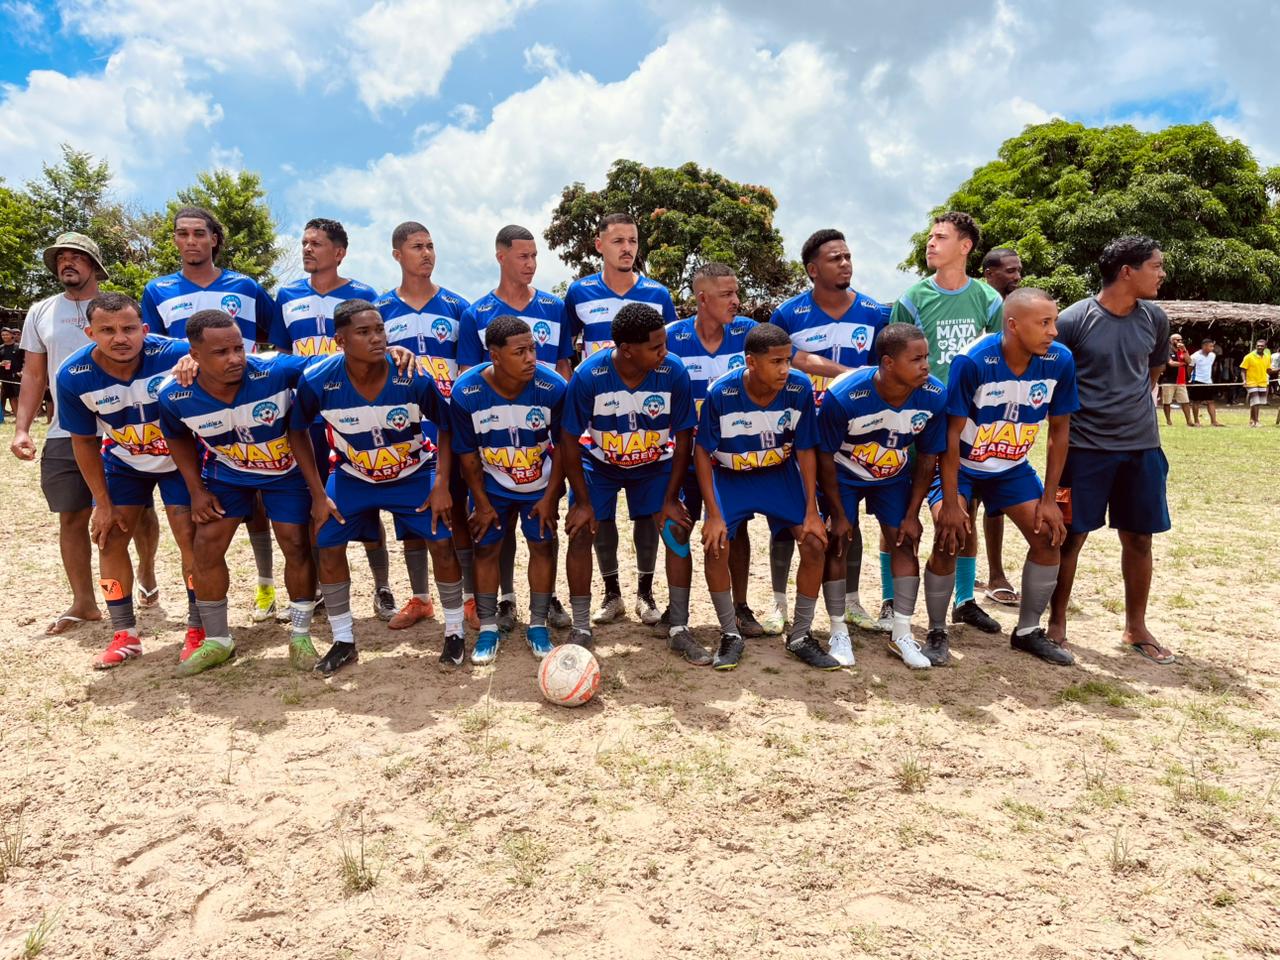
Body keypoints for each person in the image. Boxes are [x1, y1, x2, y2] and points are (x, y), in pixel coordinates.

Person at [289, 299, 465, 676]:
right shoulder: (318, 380)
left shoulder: (411, 376)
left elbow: (447, 424)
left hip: (413, 473)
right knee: (326, 542)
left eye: (380, 330)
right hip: (353, 477)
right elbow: (297, 431)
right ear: (340, 340)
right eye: (364, 332)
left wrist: (441, 483)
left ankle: (454, 632)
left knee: (441, 540)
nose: (376, 338)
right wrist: (318, 494)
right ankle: (343, 641)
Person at [11, 234, 160, 635]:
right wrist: (22, 428)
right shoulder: (41, 311)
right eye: (60, 258)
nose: (67, 263)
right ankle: (84, 601)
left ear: (94, 264)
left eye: (76, 257)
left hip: (124, 426)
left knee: (136, 514)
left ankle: (146, 569)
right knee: (72, 515)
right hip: (66, 430)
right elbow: (34, 374)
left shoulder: (117, 307)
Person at [159, 309, 320, 675]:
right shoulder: (173, 394)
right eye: (221, 352)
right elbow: (176, 437)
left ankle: (300, 636)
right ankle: (218, 640)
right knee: (206, 545)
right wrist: (196, 490)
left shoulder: (274, 371)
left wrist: (392, 354)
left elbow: (331, 365)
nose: (234, 358)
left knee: (295, 542)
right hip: (227, 474)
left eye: (238, 348)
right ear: (194, 356)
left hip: (284, 472)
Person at [925, 287, 1078, 667]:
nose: (1053, 331)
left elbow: (1060, 431)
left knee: (1048, 537)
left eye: (1054, 322)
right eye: (1044, 323)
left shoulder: (1060, 360)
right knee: (949, 537)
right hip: (962, 466)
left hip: (1011, 469)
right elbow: (950, 435)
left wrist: (1049, 499)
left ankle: (1027, 632)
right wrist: (950, 502)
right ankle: (936, 631)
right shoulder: (973, 361)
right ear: (1013, 325)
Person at [55, 293, 205, 670]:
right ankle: (124, 634)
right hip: (124, 462)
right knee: (109, 539)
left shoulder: (175, 354)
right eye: (107, 330)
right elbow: (83, 442)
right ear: (90, 334)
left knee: (191, 538)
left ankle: (199, 627)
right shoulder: (72, 376)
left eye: (128, 328)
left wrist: (197, 360)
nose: (120, 338)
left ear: (145, 330)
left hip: (180, 460)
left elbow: (222, 356)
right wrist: (102, 503)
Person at [1048, 236, 1174, 664]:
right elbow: (1056, 381)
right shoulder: (1073, 320)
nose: (1161, 274)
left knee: (1139, 537)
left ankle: (1136, 627)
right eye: (1155, 266)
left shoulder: (1155, 318)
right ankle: (1056, 624)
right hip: (1084, 449)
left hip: (1141, 446)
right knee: (1068, 537)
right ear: (1127, 271)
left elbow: (1152, 373)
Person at [560, 302, 707, 663]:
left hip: (654, 465)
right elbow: (568, 439)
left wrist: (671, 499)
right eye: (656, 347)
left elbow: (684, 437)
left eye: (664, 343)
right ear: (627, 350)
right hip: (600, 465)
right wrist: (582, 502)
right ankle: (581, 627)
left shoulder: (673, 371)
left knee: (676, 529)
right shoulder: (588, 376)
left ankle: (678, 628)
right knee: (580, 532)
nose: (664, 352)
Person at [768, 228, 891, 639]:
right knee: (788, 519)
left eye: (847, 256)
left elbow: (882, 372)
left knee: (845, 519)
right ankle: (778, 604)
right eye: (835, 258)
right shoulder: (788, 315)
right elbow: (786, 358)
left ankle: (851, 603)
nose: (845, 263)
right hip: (799, 431)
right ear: (812, 269)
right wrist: (843, 374)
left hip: (853, 435)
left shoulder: (875, 313)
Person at [696, 323, 836, 670]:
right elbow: (701, 452)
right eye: (776, 362)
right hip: (731, 476)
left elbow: (806, 449)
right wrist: (713, 514)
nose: (785, 369)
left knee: (815, 542)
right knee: (716, 544)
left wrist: (812, 510)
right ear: (751, 362)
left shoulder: (799, 388)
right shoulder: (721, 393)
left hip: (778, 474)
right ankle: (730, 633)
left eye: (787, 360)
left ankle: (800, 635)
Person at [272, 218, 393, 621]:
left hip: (351, 411)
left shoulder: (364, 294)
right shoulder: (287, 295)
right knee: (315, 500)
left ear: (339, 253)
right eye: (304, 242)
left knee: (366, 499)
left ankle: (382, 587)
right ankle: (322, 590)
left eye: (317, 243)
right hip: (308, 411)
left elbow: (378, 349)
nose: (307, 249)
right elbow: (281, 355)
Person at [456, 224, 574, 633]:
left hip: (539, 433)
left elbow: (562, 365)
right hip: (496, 439)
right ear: (501, 256)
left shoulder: (554, 307)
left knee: (543, 529)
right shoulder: (476, 313)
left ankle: (547, 598)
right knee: (495, 527)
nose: (531, 263)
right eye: (523, 256)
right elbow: (470, 376)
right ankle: (505, 599)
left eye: (535, 255)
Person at [891, 211, 1005, 638]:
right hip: (917, 419)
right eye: (930, 237)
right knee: (899, 513)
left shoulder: (989, 301)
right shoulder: (912, 299)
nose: (931, 243)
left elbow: (999, 359)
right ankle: (891, 599)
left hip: (968, 421)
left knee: (964, 510)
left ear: (965, 246)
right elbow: (895, 361)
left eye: (940, 237)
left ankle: (965, 599)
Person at [564, 213, 678, 627]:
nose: (627, 248)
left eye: (632, 240)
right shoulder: (579, 292)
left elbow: (666, 350)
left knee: (646, 513)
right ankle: (611, 593)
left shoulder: (658, 294)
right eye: (618, 241)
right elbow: (565, 353)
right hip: (599, 417)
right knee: (602, 514)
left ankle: (645, 592)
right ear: (600, 245)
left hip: (647, 416)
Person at [817, 323, 947, 669]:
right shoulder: (845, 394)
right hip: (843, 473)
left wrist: (913, 514)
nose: (926, 365)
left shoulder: (934, 394)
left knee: (905, 541)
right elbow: (823, 456)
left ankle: (901, 633)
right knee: (838, 541)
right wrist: (837, 513)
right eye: (916, 359)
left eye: (927, 357)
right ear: (888, 363)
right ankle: (837, 630)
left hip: (892, 475)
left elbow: (929, 457)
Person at [374, 222, 479, 631]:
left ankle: (470, 599)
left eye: (431, 245)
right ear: (397, 255)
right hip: (402, 428)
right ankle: (420, 598)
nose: (427, 253)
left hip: (449, 426)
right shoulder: (380, 309)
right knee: (412, 516)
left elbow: (469, 372)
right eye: (417, 246)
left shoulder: (457, 306)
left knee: (459, 510)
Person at [451, 315, 567, 664]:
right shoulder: (466, 392)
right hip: (492, 483)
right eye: (520, 352)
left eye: (533, 349)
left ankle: (538, 625)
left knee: (542, 546)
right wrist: (481, 503)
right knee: (486, 549)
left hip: (539, 483)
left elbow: (564, 447)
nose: (531, 358)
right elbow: (467, 456)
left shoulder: (553, 386)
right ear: (495, 356)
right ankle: (488, 629)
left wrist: (550, 496)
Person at [663, 262, 762, 638]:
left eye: (737, 292)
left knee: (735, 531)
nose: (736, 301)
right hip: (683, 457)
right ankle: (677, 613)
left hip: (729, 459)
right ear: (702, 299)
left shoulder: (747, 333)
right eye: (726, 294)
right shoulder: (672, 337)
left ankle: (740, 607)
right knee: (677, 528)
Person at [141, 207, 276, 344]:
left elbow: (282, 333)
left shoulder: (246, 286)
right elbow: (153, 346)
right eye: (183, 234)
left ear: (213, 240)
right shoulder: (156, 290)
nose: (191, 241)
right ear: (174, 239)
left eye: (199, 234)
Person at [978, 247, 1024, 607]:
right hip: (971, 412)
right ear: (989, 273)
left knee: (995, 500)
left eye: (1018, 270)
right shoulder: (977, 305)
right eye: (1010, 271)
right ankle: (962, 577)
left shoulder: (1019, 312)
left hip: (1007, 416)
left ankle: (996, 573)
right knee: (963, 501)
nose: (1017, 277)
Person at [1159, 334, 1194, 427]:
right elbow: (1171, 363)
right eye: (1177, 340)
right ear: (1171, 341)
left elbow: (1189, 361)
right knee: (1167, 402)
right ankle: (1169, 421)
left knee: (1185, 401)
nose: (1179, 341)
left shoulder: (1182, 350)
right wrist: (1183, 364)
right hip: (1168, 381)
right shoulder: (1167, 351)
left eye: (1180, 339)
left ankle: (1189, 421)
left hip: (1181, 381)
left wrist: (1184, 350)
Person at [1187, 338, 1223, 427]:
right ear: (1204, 346)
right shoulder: (1194, 356)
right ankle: (1196, 421)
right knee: (1196, 402)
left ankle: (1214, 421)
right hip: (1197, 381)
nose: (1212, 348)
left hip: (1208, 381)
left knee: (1210, 401)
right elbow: (1189, 368)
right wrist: (1190, 378)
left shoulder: (1212, 356)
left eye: (1213, 346)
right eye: (1210, 346)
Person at [1240, 338, 1272, 427]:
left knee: (1255, 402)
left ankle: (1251, 420)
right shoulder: (1249, 357)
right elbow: (1243, 370)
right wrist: (1244, 380)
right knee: (1256, 402)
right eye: (1258, 346)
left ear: (1265, 347)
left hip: (1262, 382)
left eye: (1262, 346)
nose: (1260, 347)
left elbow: (1268, 370)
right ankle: (1257, 421)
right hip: (1251, 382)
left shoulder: (1267, 357)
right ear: (1255, 346)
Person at [0, 327, 22, 418]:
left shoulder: (19, 347)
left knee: (21, 397)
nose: (4, 336)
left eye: (6, 334)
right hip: (5, 377)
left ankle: (26, 417)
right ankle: (17, 417)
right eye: (3, 335)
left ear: (12, 335)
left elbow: (26, 361)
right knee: (11, 397)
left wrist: (22, 371)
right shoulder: (1, 348)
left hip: (18, 376)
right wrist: (1, 364)